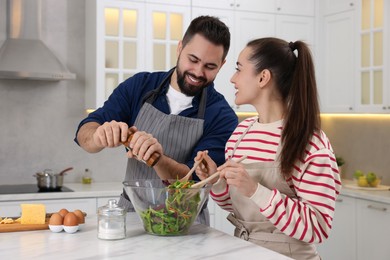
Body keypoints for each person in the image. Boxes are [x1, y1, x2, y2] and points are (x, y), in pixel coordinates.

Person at [74, 16, 238, 225]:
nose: (198, 72)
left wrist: (156, 158)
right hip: (132, 216)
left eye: (210, 66)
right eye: (193, 59)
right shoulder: (139, 86)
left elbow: (194, 183)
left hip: (186, 223)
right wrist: (99, 135)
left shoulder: (222, 116)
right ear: (179, 48)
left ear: (222, 65)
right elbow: (84, 134)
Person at [194, 37, 342, 259]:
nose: (233, 79)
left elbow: (317, 227)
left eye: (239, 69)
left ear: (263, 77)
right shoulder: (241, 133)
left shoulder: (310, 142)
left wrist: (256, 190)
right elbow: (237, 206)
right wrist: (216, 180)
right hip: (244, 251)